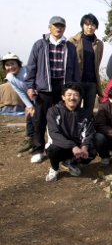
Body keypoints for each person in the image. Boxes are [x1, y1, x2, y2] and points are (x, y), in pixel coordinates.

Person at [25, 16, 80, 163]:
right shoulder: (40, 45)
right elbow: (31, 66)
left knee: (62, 119)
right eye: (56, 26)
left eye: (61, 26)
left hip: (63, 87)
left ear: (64, 29)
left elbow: (75, 68)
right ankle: (38, 149)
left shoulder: (69, 46)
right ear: (49, 27)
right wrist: (30, 86)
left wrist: (75, 86)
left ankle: (59, 147)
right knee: (40, 119)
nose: (58, 28)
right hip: (44, 87)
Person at [45, 83, 96, 182]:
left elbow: (89, 133)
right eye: (69, 95)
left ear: (80, 97)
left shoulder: (85, 114)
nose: (72, 98)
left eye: (76, 95)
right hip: (60, 146)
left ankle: (71, 162)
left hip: (77, 149)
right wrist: (73, 146)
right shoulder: (54, 111)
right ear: (63, 97)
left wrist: (84, 146)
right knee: (53, 150)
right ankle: (54, 168)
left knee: (92, 151)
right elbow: (54, 134)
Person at [68, 13, 104, 113]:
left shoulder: (99, 44)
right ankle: (74, 129)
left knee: (89, 111)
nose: (90, 27)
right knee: (74, 109)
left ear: (96, 27)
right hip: (77, 82)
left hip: (92, 83)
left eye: (93, 25)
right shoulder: (72, 41)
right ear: (82, 25)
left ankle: (87, 129)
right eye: (87, 24)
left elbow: (97, 63)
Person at [1, 53, 34, 152]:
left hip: (38, 95)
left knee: (40, 119)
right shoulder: (10, 77)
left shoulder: (26, 72)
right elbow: (20, 92)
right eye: (7, 65)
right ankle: (30, 140)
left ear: (18, 64)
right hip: (29, 98)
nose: (10, 67)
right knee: (29, 116)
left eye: (13, 63)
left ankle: (42, 144)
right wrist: (29, 106)